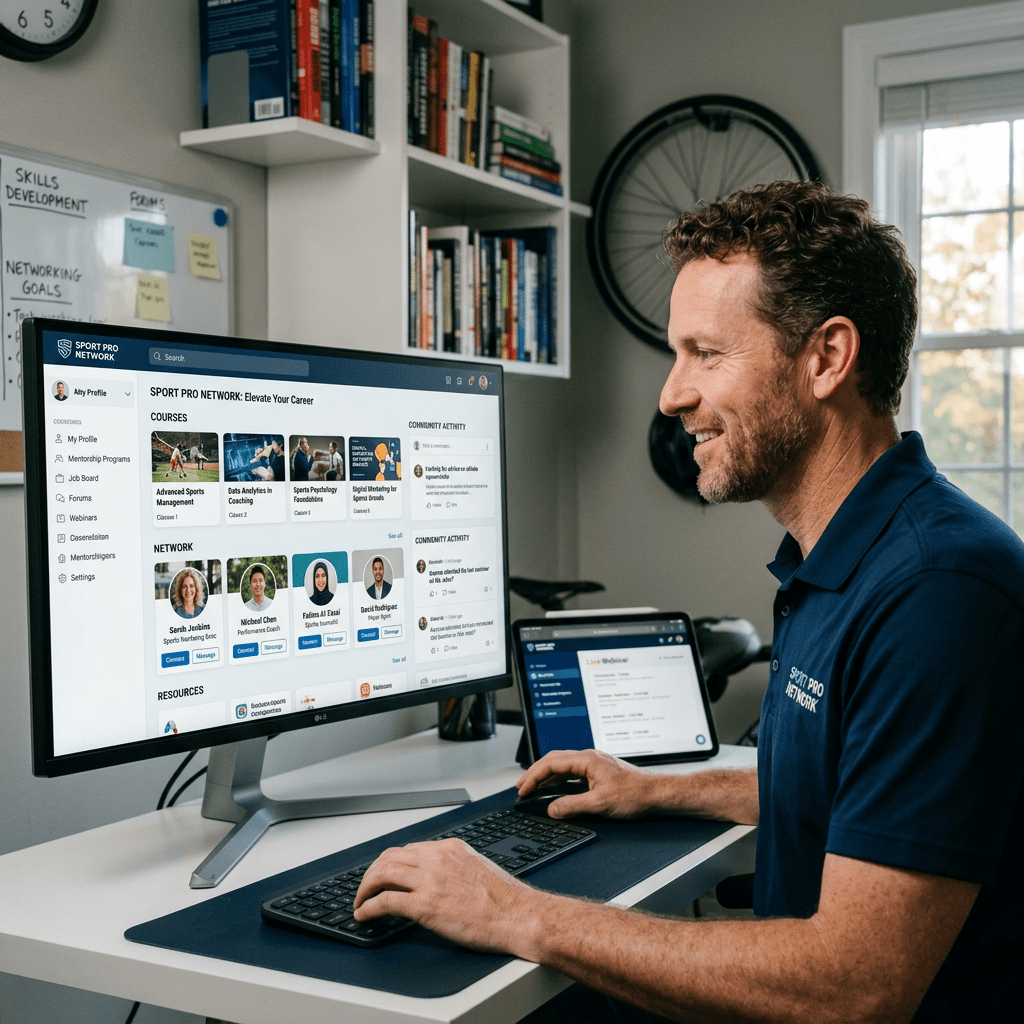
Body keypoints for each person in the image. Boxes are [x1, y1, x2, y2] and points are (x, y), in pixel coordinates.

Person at [351, 181, 1024, 1023]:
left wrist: (512, 911)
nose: (671, 396)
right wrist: (655, 790)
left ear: (826, 358)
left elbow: (859, 985)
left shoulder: (937, 594)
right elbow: (847, 791)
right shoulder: (843, 558)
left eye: (706, 354)